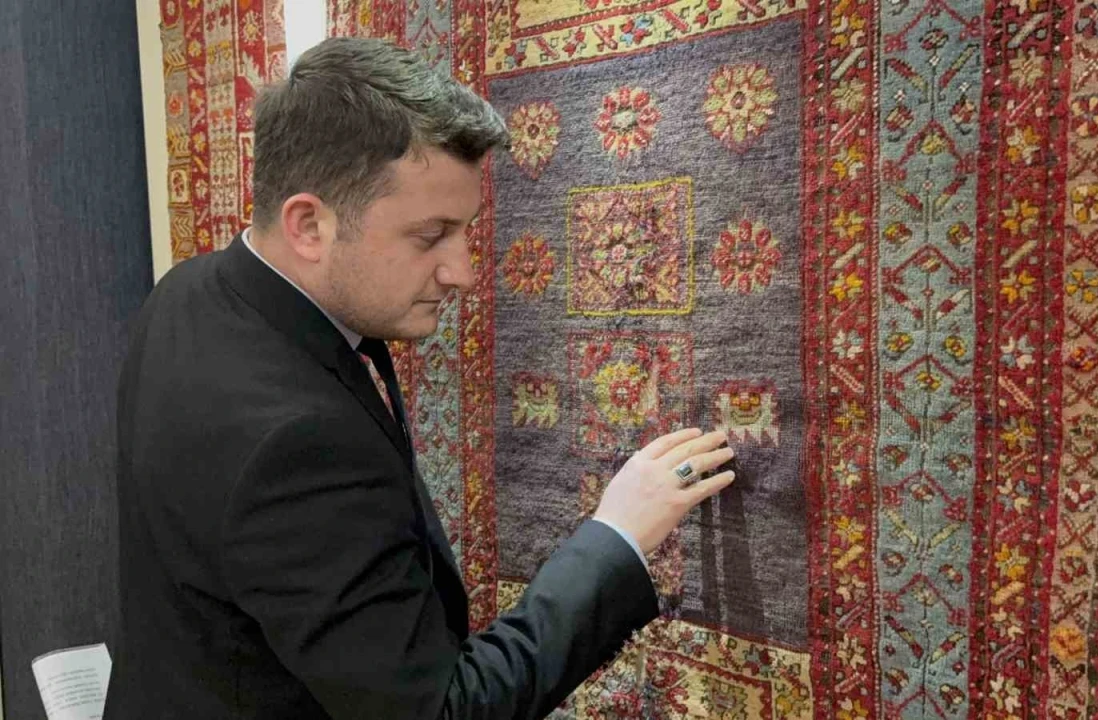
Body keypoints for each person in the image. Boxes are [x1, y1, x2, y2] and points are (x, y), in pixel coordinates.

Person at [106, 37, 736, 719]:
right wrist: (615, 536)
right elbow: (443, 710)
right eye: (430, 235)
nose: (461, 272)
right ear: (309, 225)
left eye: (464, 230)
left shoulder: (186, 292)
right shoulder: (299, 446)